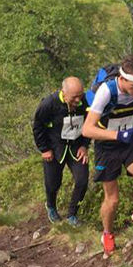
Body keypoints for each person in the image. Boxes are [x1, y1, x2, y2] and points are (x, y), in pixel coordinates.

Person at [82, 55, 133, 256]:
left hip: (130, 142)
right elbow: (87, 130)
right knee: (112, 200)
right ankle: (107, 233)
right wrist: (117, 135)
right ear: (122, 80)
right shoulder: (106, 92)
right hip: (107, 146)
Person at [33, 77, 90, 226]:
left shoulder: (83, 102)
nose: (78, 100)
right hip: (55, 148)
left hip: (76, 148)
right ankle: (51, 206)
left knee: (82, 180)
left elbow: (88, 123)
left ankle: (72, 215)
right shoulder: (49, 104)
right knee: (53, 184)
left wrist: (85, 145)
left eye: (81, 95)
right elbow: (38, 126)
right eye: (74, 97)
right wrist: (44, 149)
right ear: (64, 93)